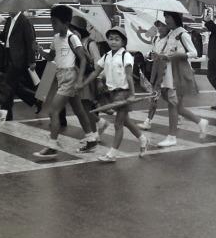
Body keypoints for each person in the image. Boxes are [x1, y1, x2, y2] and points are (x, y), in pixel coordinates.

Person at [33, 6, 98, 159]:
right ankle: (91, 138)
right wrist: (39, 49)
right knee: (79, 110)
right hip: (61, 75)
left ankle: (52, 146)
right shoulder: (55, 38)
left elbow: (82, 59)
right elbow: (50, 58)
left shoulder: (72, 38)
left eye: (55, 22)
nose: (52, 25)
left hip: (70, 76)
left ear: (66, 23)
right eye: (51, 22)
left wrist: (80, 79)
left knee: (53, 111)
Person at [79, 27, 148, 162]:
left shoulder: (126, 56)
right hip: (112, 94)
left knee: (118, 124)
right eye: (111, 39)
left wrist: (132, 94)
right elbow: (95, 72)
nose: (113, 42)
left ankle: (112, 154)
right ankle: (143, 139)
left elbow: (129, 76)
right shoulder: (107, 55)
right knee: (126, 121)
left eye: (117, 39)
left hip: (123, 93)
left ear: (123, 41)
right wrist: (83, 83)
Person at [156, 11, 209, 148]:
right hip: (168, 70)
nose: (166, 20)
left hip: (178, 71)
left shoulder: (182, 34)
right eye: (165, 17)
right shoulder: (170, 33)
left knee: (173, 104)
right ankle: (200, 121)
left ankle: (172, 136)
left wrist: (178, 54)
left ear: (175, 18)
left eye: (168, 17)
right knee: (177, 106)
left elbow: (194, 53)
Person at [0, 10, 40, 120]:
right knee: (13, 86)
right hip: (7, 56)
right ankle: (35, 100)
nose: (9, 9)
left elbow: (31, 41)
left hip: (18, 59)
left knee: (7, 85)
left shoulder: (24, 21)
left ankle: (5, 115)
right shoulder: (8, 21)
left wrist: (32, 61)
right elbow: (7, 39)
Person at [69, 15, 106, 139]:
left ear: (78, 30)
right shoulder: (78, 42)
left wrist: (99, 80)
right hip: (81, 77)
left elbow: (98, 62)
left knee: (86, 107)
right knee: (83, 107)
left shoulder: (90, 43)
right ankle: (98, 126)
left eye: (73, 29)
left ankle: (96, 131)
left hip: (88, 79)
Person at [139, 18, 170, 130]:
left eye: (163, 26)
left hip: (165, 71)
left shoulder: (170, 40)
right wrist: (150, 54)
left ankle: (178, 112)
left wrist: (161, 56)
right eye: (159, 25)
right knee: (155, 95)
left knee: (163, 95)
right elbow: (152, 51)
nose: (160, 28)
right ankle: (148, 121)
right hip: (155, 70)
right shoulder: (156, 38)